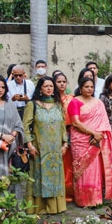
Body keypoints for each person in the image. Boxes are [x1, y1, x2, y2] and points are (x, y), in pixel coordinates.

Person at [21, 77, 68, 213]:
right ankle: (39, 207)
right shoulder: (33, 105)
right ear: (40, 88)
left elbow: (63, 126)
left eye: (51, 86)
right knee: (38, 175)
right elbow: (25, 125)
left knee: (56, 176)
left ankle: (55, 207)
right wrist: (29, 144)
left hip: (56, 148)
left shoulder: (58, 104)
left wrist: (65, 144)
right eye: (46, 86)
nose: (49, 88)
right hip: (39, 148)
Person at [69, 77, 112, 207]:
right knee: (81, 169)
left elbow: (104, 123)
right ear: (80, 87)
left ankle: (95, 199)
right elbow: (75, 122)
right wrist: (93, 133)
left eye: (91, 87)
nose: (89, 89)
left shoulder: (98, 103)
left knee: (94, 169)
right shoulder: (75, 102)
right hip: (80, 140)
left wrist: (98, 135)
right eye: (86, 87)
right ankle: (82, 199)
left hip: (95, 140)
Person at [53, 72, 76, 201]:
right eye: (59, 82)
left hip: (70, 131)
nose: (61, 84)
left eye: (63, 81)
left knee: (69, 161)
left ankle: (69, 190)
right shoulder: (51, 100)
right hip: (55, 133)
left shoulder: (71, 98)